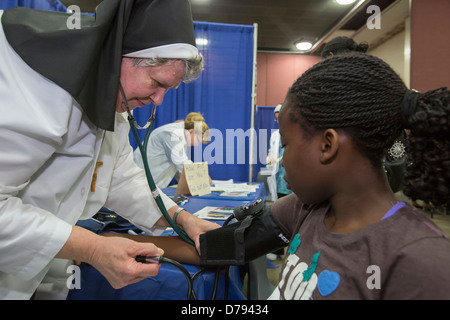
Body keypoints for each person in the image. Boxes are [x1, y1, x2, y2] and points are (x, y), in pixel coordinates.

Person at [0, 0, 219, 299]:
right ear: (120, 57)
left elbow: (121, 177)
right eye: (156, 83)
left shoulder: (111, 103)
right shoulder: (36, 89)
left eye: (168, 89)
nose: (159, 101)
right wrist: (92, 247)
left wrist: (182, 218)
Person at [267, 52, 450, 299]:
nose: (282, 159)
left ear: (327, 145)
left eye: (286, 144)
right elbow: (222, 245)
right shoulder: (305, 209)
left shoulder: (421, 262)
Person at [321, 36, 407, 193]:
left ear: (331, 57)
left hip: (357, 187)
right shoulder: (379, 83)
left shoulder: (339, 94)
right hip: (388, 181)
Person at [134, 112, 212, 188]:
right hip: (137, 179)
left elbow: (178, 168)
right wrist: (203, 177)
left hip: (147, 182)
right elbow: (182, 163)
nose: (197, 145)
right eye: (198, 140)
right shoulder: (173, 134)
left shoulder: (181, 137)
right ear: (191, 132)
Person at [266, 104, 292, 201]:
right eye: (277, 119)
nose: (279, 121)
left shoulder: (296, 134)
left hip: (292, 181)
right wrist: (269, 159)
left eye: (281, 118)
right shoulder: (275, 135)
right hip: (278, 179)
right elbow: (270, 153)